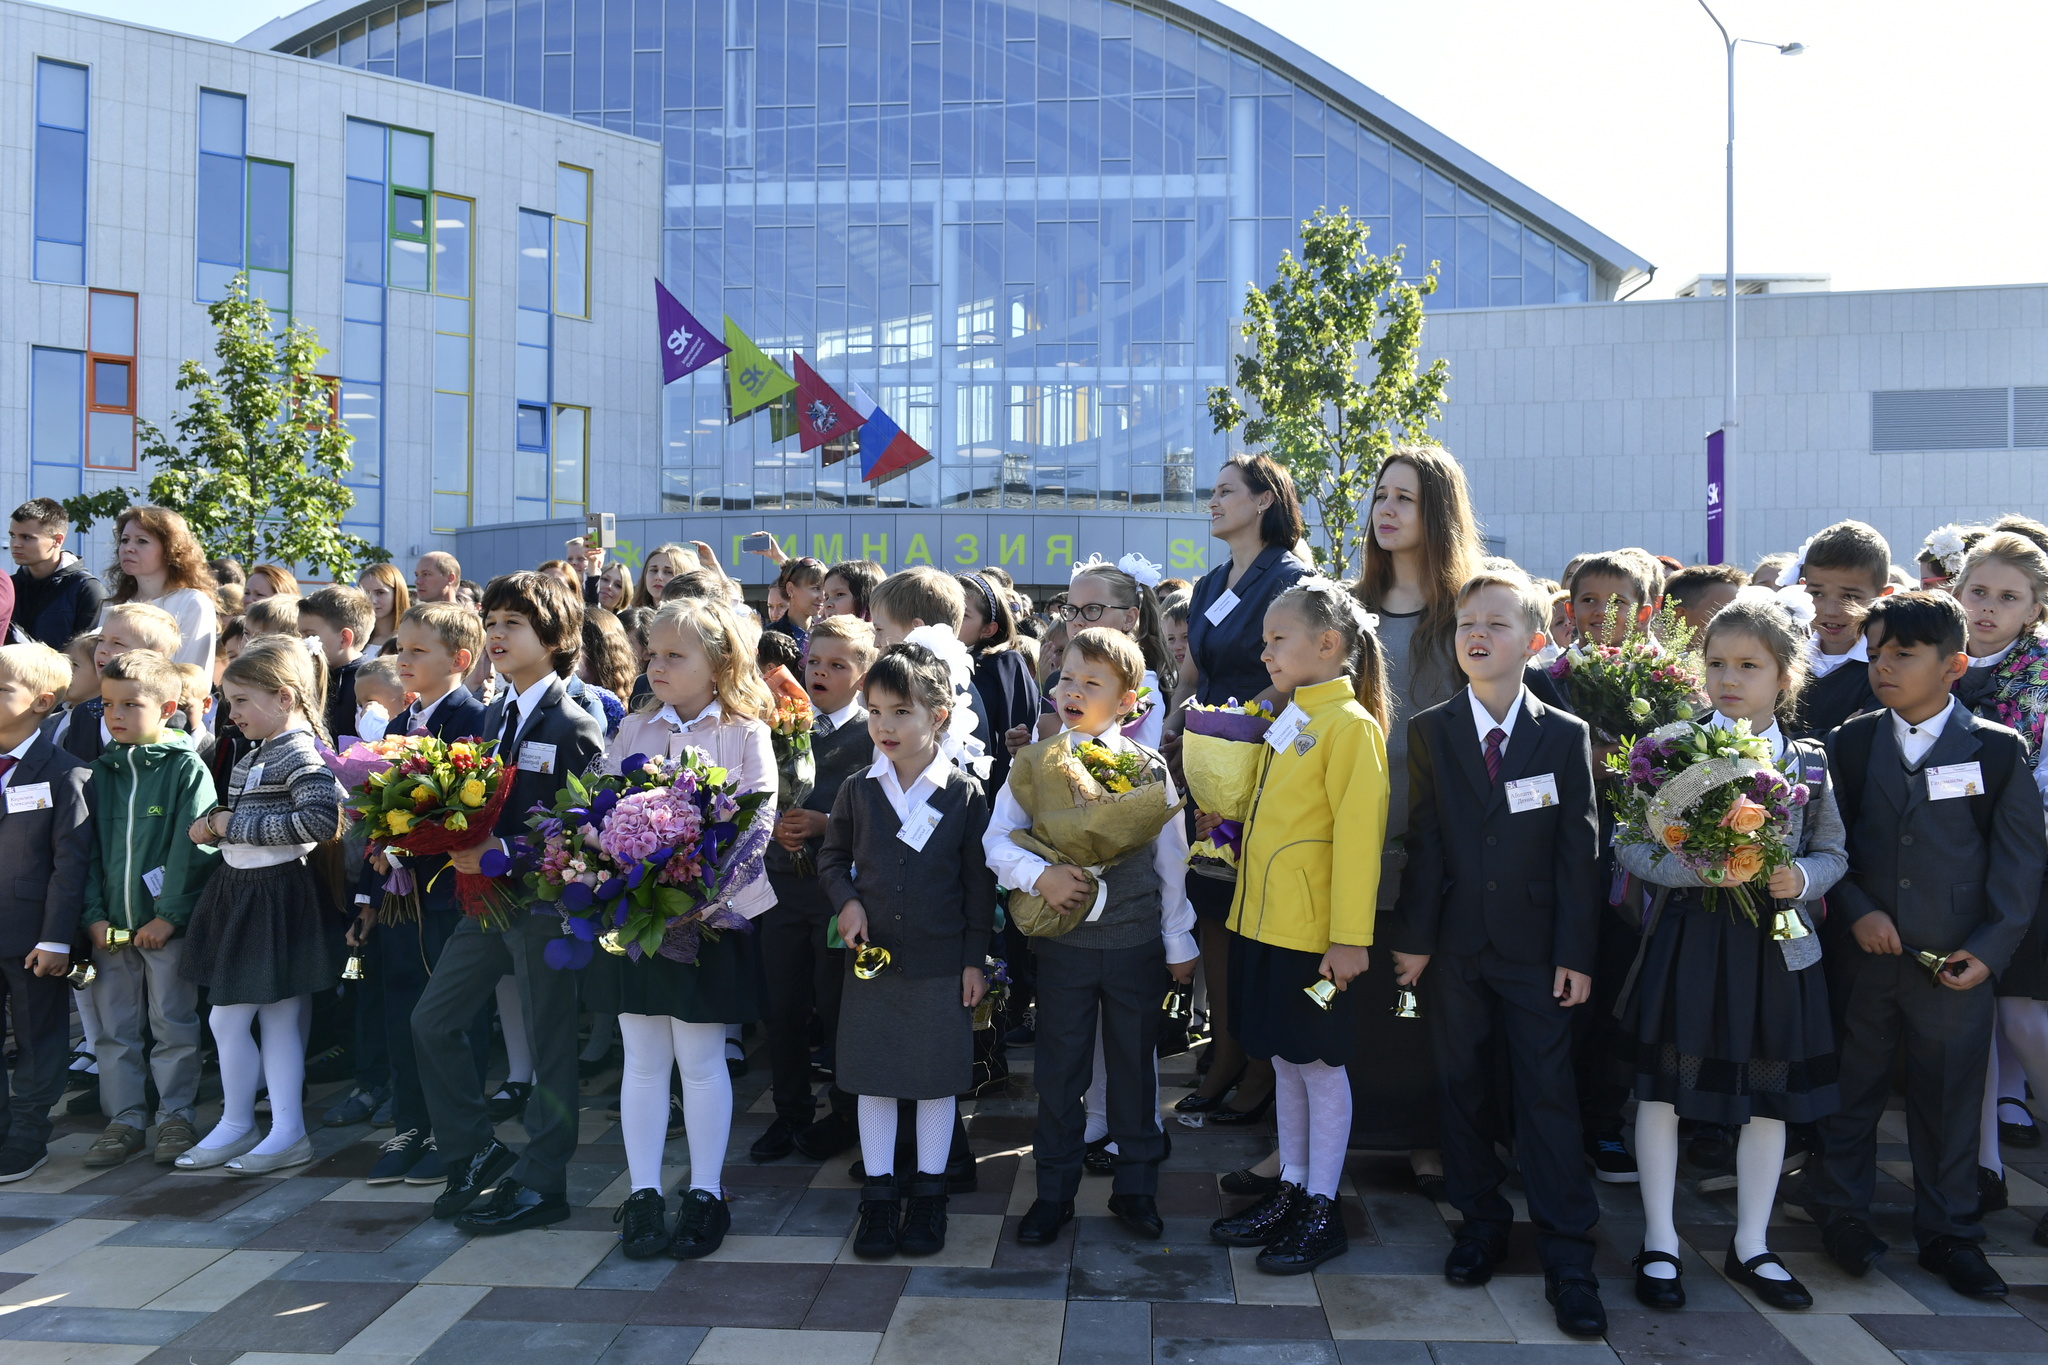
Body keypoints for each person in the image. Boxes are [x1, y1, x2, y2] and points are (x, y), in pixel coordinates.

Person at [1807, 592, 2047, 1301]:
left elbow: (2018, 864)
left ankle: (1950, 1231)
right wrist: (1855, 909)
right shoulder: (1849, 742)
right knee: (1853, 1091)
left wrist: (1992, 947)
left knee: (1948, 1100)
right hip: (1866, 959)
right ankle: (1843, 1214)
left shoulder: (1998, 750)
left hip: (1956, 966)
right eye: (1875, 653)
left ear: (1955, 666)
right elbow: (1830, 841)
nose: (1884, 667)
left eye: (1903, 655)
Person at [1616, 589, 1847, 1312]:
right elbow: (1631, 842)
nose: (1729, 678)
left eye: (1749, 664)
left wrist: (1800, 877)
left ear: (1787, 674)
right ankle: (1659, 1236)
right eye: (1716, 662)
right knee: (1663, 1090)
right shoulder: (1675, 747)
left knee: (1770, 1096)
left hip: (1776, 955)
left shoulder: (1807, 764)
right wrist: (1702, 868)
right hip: (1690, 943)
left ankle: (1752, 1241)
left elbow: (1836, 852)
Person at [1387, 570, 1606, 1331]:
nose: (1477, 634)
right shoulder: (1433, 729)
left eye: (1498, 623)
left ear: (1536, 642)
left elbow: (1581, 855)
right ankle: (1479, 1221)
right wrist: (1414, 942)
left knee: (1545, 1094)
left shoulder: (1563, 734)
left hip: (1537, 951)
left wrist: (1576, 952)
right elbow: (1427, 843)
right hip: (1454, 950)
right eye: (1466, 624)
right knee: (1462, 1085)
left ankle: (1569, 1253)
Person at [412, 571, 605, 1234]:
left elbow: (582, 828)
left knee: (550, 1045)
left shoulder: (573, 722)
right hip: (490, 902)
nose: (496, 634)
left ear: (555, 639)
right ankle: (475, 1150)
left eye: (512, 624)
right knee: (432, 1020)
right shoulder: (496, 711)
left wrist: (502, 854)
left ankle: (544, 1178)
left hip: (545, 907)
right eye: (491, 622)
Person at [1206, 579, 1388, 1274]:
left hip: (1314, 936)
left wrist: (1348, 937)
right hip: (1263, 921)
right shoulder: (1290, 715)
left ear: (1328, 644)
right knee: (1284, 1056)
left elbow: (1358, 836)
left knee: (1319, 1061)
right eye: (1265, 640)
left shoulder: (1351, 726)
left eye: (1277, 638)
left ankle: (1323, 1204)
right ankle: (1291, 1187)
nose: (1266, 651)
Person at [992, 627, 1197, 1246]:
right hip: (1064, 947)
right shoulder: (1032, 765)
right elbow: (996, 841)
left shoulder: (1148, 769)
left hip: (1134, 945)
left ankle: (1136, 1186)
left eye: (1093, 682)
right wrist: (1040, 874)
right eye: (1067, 678)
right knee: (1059, 1072)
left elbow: (1171, 862)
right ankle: (1053, 1191)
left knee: (1134, 1067)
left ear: (1128, 700)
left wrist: (1178, 941)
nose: (1074, 691)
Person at [606, 599, 778, 1260]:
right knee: (643, 1057)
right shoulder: (634, 728)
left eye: (675, 655)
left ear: (720, 663)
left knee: (702, 1062)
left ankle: (704, 1192)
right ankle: (645, 1194)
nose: (657, 666)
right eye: (652, 654)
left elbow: (755, 825)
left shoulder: (743, 731)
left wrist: (703, 896)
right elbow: (599, 809)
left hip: (708, 921)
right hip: (639, 918)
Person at [825, 642, 997, 1259]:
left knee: (933, 1082)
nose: (885, 726)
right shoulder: (857, 789)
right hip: (872, 967)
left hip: (939, 964)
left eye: (901, 712)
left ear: (939, 715)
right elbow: (831, 856)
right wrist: (845, 898)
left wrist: (974, 959)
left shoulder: (964, 795)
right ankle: (878, 1198)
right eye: (875, 712)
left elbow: (980, 885)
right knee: (873, 1080)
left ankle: (928, 1197)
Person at [1348, 443, 1484, 1196]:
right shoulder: (1345, 608)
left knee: (1426, 992)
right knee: (1353, 988)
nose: (1387, 508)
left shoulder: (1466, 612)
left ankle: (1428, 1137)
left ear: (1439, 510)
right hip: (1355, 833)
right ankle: (1331, 1135)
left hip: (1441, 838)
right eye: (1380, 494)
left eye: (1404, 495)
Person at [1176, 454, 1311, 1136]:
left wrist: (1236, 727)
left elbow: (1290, 672)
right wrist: (1176, 725)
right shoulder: (1207, 584)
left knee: (1257, 917)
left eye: (1225, 491)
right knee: (1214, 911)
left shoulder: (1292, 578)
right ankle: (1224, 1054)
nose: (1213, 501)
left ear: (1264, 501)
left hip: (1263, 766)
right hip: (1207, 769)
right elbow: (1192, 668)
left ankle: (1260, 1063)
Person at [172, 639, 344, 1173]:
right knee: (273, 1017)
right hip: (249, 891)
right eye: (229, 700)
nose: (232, 712)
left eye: (242, 700)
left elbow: (321, 822)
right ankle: (268, 1126)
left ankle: (259, 1125)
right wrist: (220, 825)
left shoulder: (298, 750)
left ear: (284, 696)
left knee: (234, 1017)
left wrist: (226, 824)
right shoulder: (260, 750)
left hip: (274, 893)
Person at [359, 603, 489, 1185]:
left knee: (452, 1012)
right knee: (401, 1002)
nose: (401, 661)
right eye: (399, 649)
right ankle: (410, 1121)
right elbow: (374, 810)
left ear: (459, 660)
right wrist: (368, 891)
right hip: (397, 893)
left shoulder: (474, 722)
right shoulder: (397, 723)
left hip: (446, 889)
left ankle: (455, 1127)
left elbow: (476, 809)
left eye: (416, 651)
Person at [79, 649, 221, 1168]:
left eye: (130, 704)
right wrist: (93, 914)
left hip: (165, 930)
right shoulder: (99, 772)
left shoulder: (186, 769)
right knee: (114, 1028)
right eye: (108, 704)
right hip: (111, 931)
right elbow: (86, 850)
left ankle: (177, 1114)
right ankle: (125, 1118)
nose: (116, 715)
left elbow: (195, 849)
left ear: (167, 708)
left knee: (173, 1023)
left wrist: (169, 916)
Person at [1944, 532, 2048, 1224]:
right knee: (1966, 1018)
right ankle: (1983, 1165)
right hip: (1947, 863)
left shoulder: (2042, 675)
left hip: (2027, 862)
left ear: (2035, 609)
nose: (1987, 608)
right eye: (1978, 591)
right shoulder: (1935, 660)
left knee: (2023, 1017)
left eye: (2007, 597)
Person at [751, 614, 878, 1164]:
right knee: (783, 1008)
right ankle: (790, 1112)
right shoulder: (778, 724)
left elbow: (879, 812)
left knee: (838, 1009)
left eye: (837, 664)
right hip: (779, 888)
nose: (821, 673)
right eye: (813, 662)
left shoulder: (872, 732)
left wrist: (826, 823)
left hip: (836, 895)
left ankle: (846, 1114)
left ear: (865, 671)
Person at [0, 642, 94, 1182]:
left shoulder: (65, 774)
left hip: (32, 933)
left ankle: (29, 1132)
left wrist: (58, 938)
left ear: (41, 702)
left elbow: (69, 863)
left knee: (38, 1036)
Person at [1789, 521, 1894, 740]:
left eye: (1850, 597)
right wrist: (1842, 733)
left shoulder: (1887, 667)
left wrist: (1789, 741)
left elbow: (1865, 742)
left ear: (1882, 596)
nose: (1831, 611)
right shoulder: (1785, 659)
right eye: (1817, 593)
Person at [59, 604, 181, 765]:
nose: (102, 649)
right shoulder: (83, 713)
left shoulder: (168, 717)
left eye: (118, 643)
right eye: (101, 640)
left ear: (153, 655)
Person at [107, 507, 219, 676]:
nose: (128, 548)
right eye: (125, 540)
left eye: (142, 541)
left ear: (170, 549)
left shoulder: (193, 603)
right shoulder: (115, 604)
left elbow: (190, 675)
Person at [10, 499, 108, 648]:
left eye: (27, 537)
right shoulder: (9, 587)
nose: (16, 543)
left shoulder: (86, 590)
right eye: (12, 535)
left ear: (57, 540)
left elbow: (89, 657)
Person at [299, 585, 374, 745]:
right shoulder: (307, 677)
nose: (302, 642)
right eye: (300, 635)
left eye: (310, 635)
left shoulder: (370, 683)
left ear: (344, 638)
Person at [1662, 564, 1748, 636]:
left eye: (1738, 613)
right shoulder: (1651, 654)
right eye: (1723, 613)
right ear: (1680, 616)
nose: (1737, 621)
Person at [766, 556, 826, 648]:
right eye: (815, 588)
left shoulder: (827, 633)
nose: (822, 597)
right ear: (790, 589)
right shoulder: (768, 638)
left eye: (825, 589)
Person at [358, 563, 412, 655]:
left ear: (397, 594)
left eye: (380, 592)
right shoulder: (354, 638)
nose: (372, 600)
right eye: (365, 593)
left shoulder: (413, 638)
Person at [630, 543, 697, 610]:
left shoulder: (692, 617)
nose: (658, 577)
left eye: (668, 572)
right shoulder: (631, 617)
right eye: (654, 570)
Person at [819, 560, 884, 620]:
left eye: (839, 594)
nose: (827, 604)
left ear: (866, 599)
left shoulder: (888, 632)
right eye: (826, 597)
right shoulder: (817, 631)